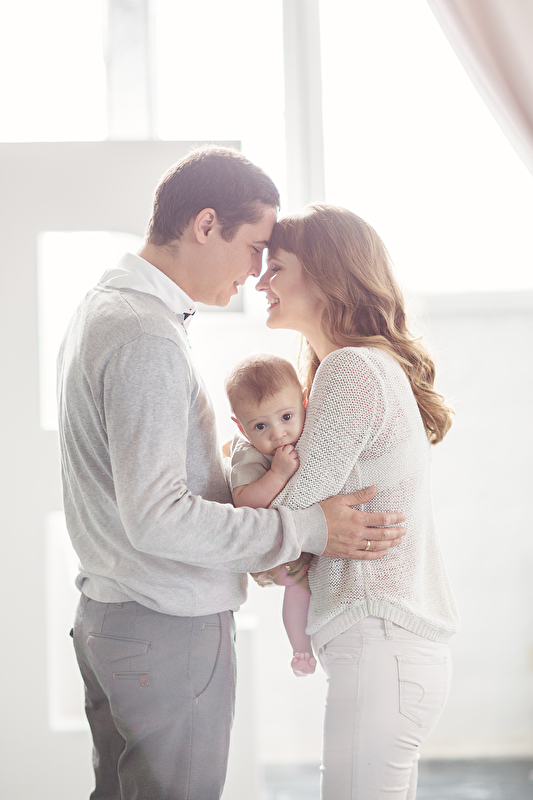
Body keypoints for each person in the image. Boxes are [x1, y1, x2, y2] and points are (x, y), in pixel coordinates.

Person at [56, 147, 407, 800]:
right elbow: (158, 518)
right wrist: (308, 528)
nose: (255, 273)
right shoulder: (144, 335)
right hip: (163, 625)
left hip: (115, 616)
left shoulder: (107, 308)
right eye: (253, 249)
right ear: (205, 224)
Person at [256, 203, 460, 800]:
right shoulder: (359, 367)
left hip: (380, 643)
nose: (261, 283)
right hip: (388, 648)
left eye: (277, 267)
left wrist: (260, 523)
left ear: (325, 277)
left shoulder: (351, 370)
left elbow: (282, 519)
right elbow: (299, 522)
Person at [224, 353, 317, 677]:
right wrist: (277, 474)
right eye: (261, 426)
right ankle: (301, 649)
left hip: (304, 536)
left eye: (286, 417)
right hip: (278, 550)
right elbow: (245, 503)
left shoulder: (309, 427)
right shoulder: (248, 454)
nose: (278, 433)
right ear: (241, 427)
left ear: (304, 402)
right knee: (298, 590)